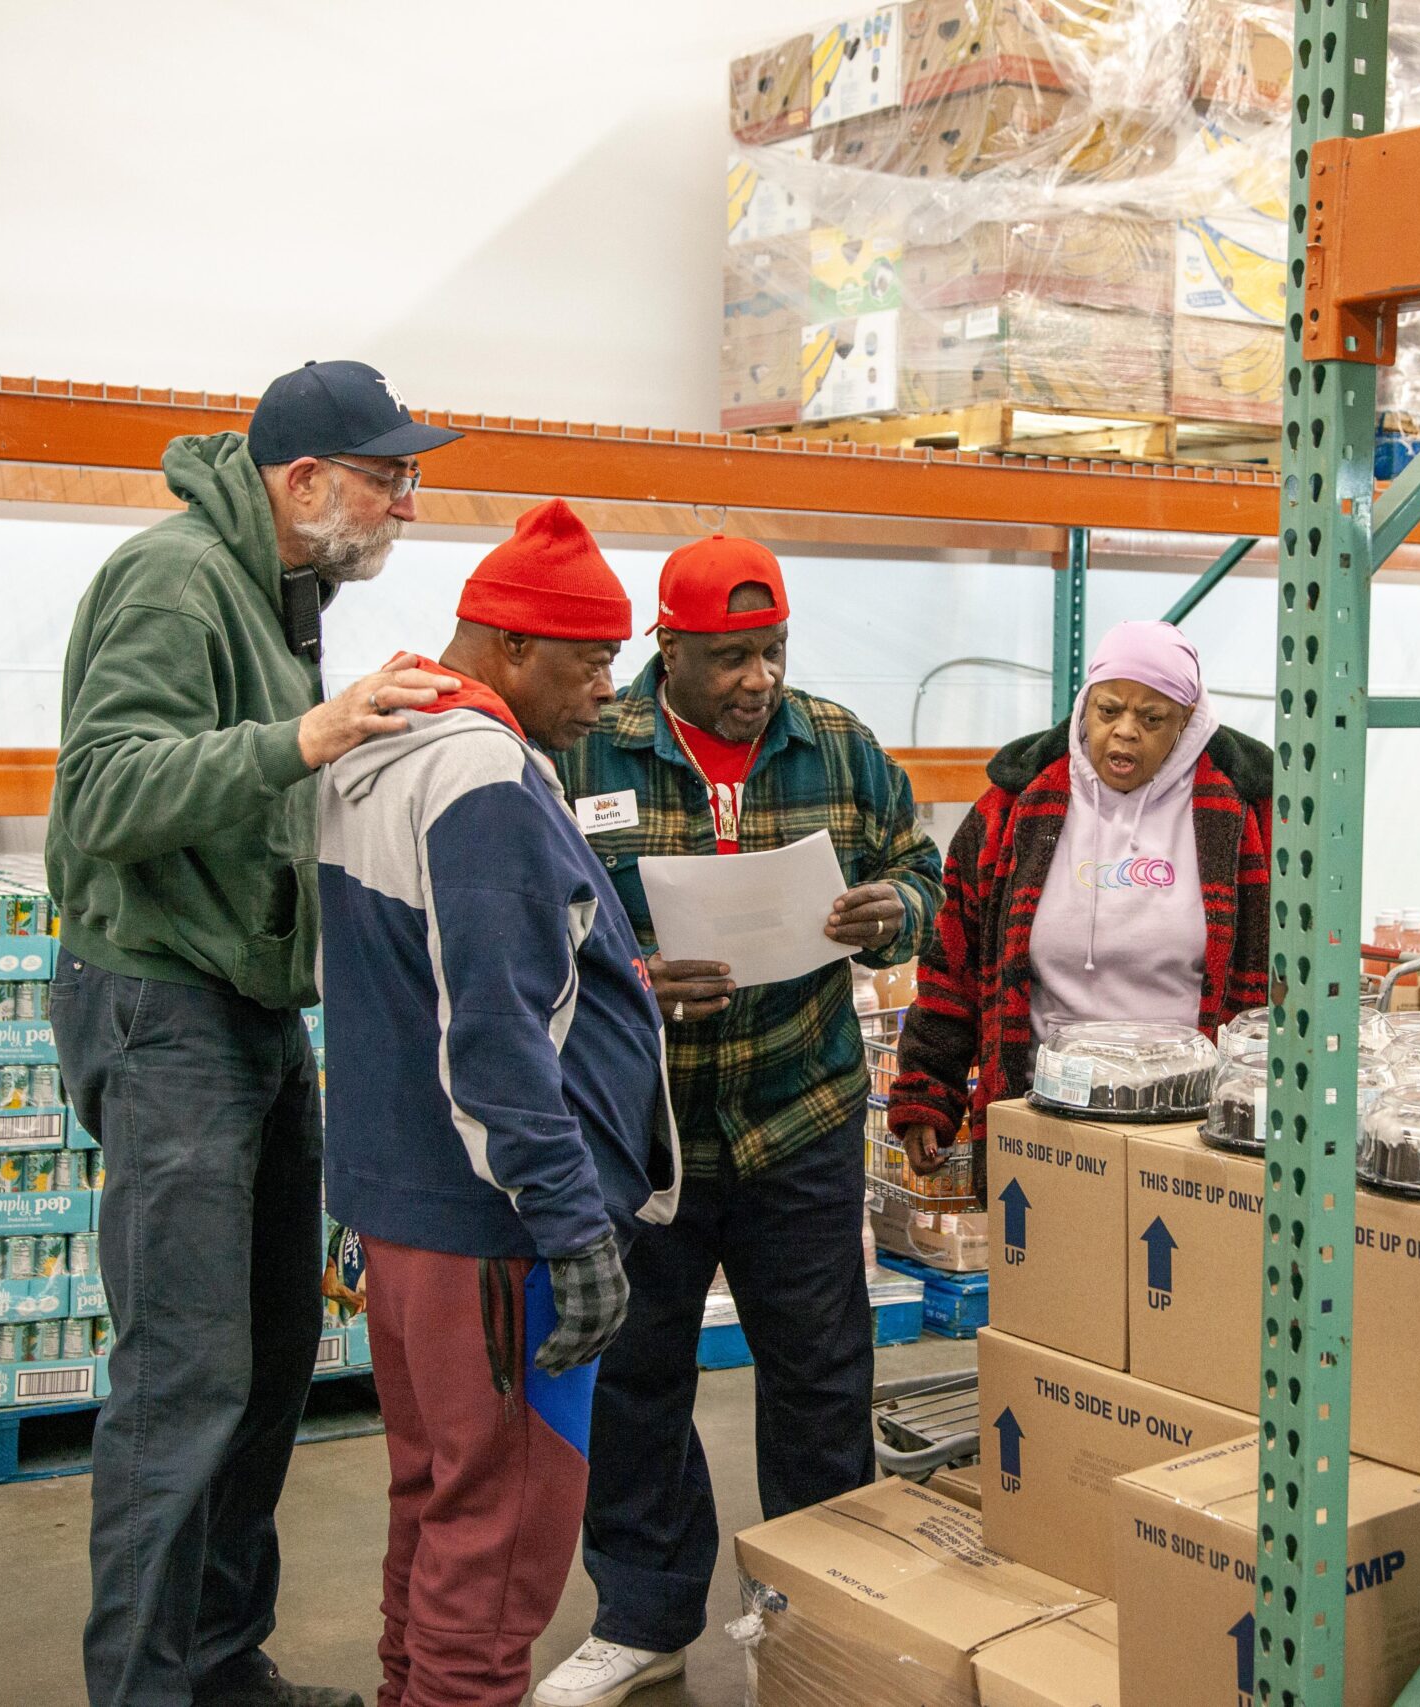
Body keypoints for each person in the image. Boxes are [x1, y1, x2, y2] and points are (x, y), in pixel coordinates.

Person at [48, 359, 464, 1707]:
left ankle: (221, 1664)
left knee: (274, 1354)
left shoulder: (281, 591)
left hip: (250, 1010)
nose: (406, 501)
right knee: (187, 1377)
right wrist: (308, 734)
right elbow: (104, 791)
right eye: (386, 475)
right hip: (167, 1008)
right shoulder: (176, 578)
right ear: (304, 481)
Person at [532, 536, 944, 1707]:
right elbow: (535, 913)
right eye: (728, 657)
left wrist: (891, 912)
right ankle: (644, 1616)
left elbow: (921, 868)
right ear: (670, 649)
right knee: (635, 1378)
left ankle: (812, 1613)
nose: (757, 678)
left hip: (797, 1115)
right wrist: (631, 970)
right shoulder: (588, 745)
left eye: (770, 650)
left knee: (818, 1377)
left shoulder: (841, 746)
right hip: (642, 1132)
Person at [317, 498, 682, 1707]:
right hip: (498, 1231)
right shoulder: (478, 773)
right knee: (508, 1527)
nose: (606, 699)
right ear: (513, 648)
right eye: (587, 667)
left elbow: (417, 981)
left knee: (436, 1496)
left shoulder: (383, 742)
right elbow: (494, 1031)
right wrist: (570, 1223)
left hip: (404, 1201)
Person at [888, 619, 1272, 1169]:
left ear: (1189, 724)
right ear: (1084, 706)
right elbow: (953, 966)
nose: (1125, 731)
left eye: (1152, 718)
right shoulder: (1012, 810)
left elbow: (1290, 984)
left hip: (1192, 1128)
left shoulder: (1244, 817)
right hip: (1043, 1120)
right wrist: (928, 1094)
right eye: (1109, 710)